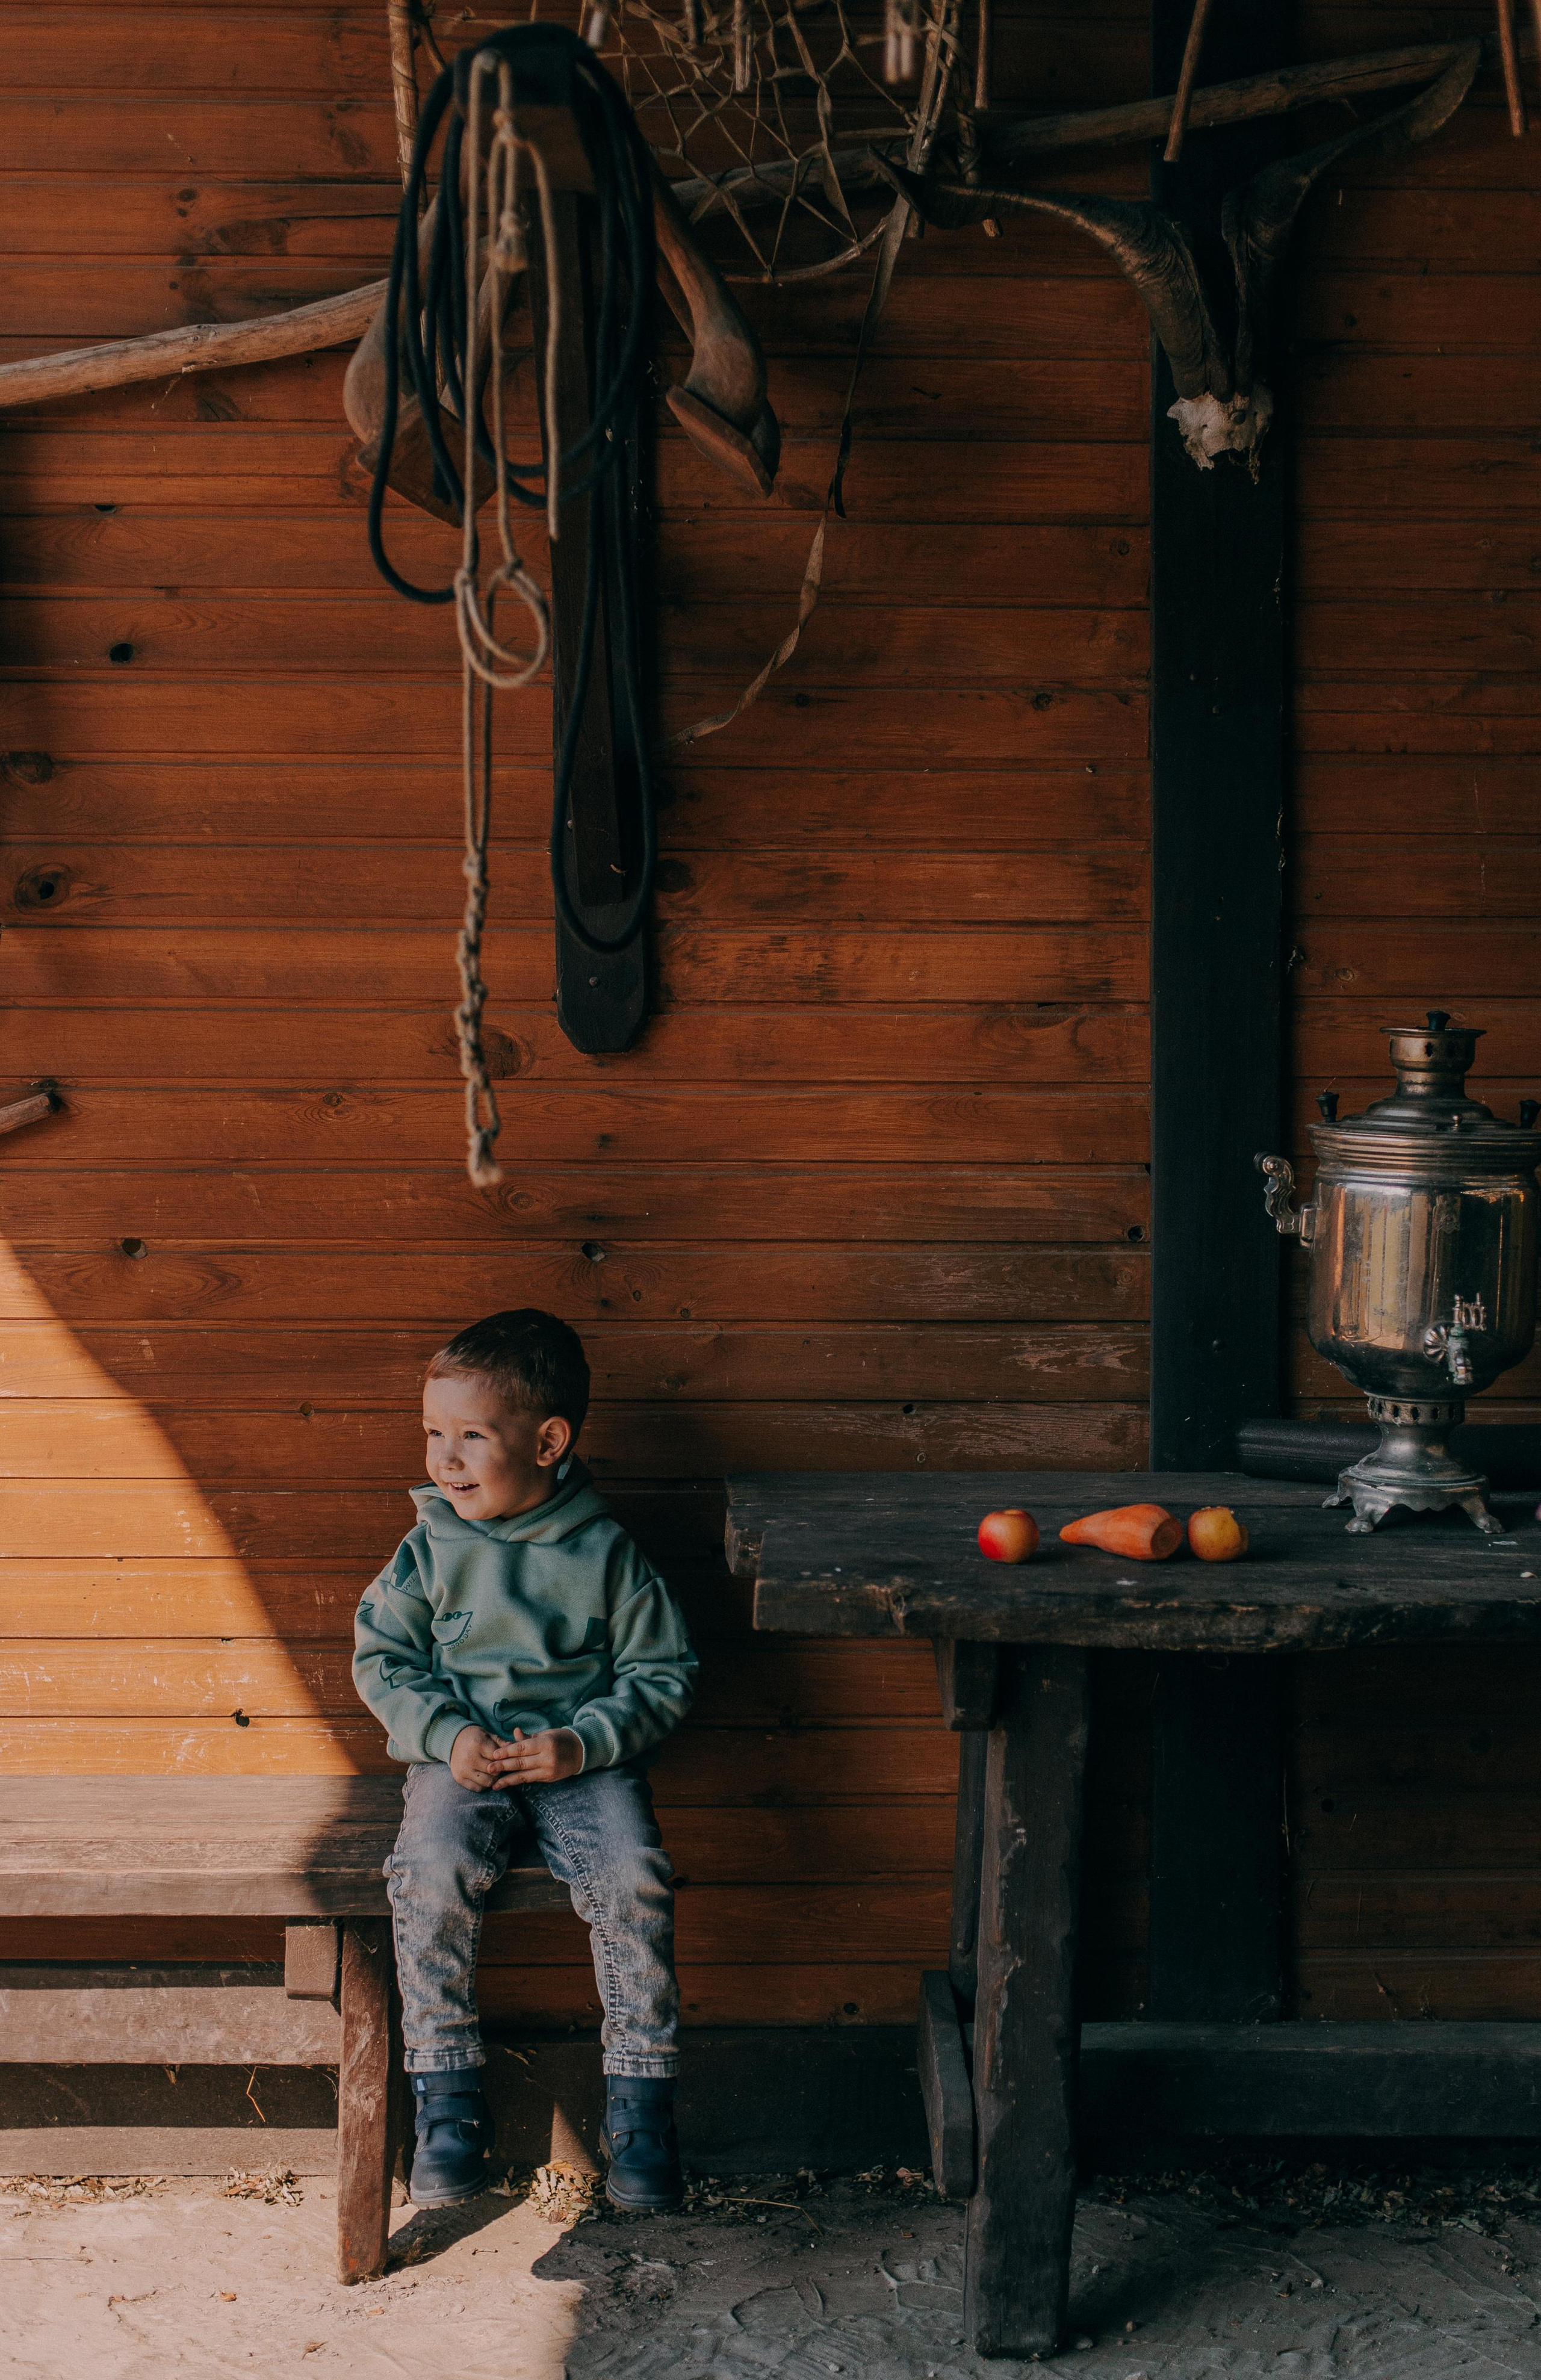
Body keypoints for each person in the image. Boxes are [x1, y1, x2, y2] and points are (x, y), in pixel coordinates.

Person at [353, 1307, 697, 2213]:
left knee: (634, 1877)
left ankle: (642, 2110)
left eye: (471, 1435)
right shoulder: (427, 1548)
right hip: (460, 1760)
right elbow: (383, 1660)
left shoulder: (606, 1554)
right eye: (434, 1433)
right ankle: (446, 2101)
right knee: (427, 1871)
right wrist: (446, 1735)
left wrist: (583, 1742)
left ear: (548, 1442)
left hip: (583, 1761)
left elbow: (663, 1673)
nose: (447, 1458)